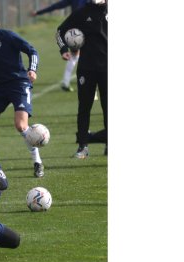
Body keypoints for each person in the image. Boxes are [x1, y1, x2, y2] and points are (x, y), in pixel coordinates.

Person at [0, 7, 45, 178]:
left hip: (19, 84)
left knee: (21, 126)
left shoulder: (7, 36)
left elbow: (32, 51)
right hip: (0, 88)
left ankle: (37, 162)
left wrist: (32, 70)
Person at [56, 0, 107, 158]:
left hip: (108, 68)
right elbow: (60, 31)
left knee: (109, 108)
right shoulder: (81, 12)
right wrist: (64, 49)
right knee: (84, 108)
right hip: (87, 68)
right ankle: (82, 147)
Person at [30, 0, 88, 92]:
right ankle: (89, 85)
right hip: (89, 28)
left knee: (75, 57)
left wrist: (38, 12)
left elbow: (56, 6)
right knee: (88, 57)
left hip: (74, 31)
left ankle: (66, 82)